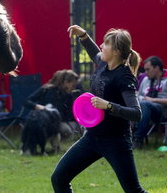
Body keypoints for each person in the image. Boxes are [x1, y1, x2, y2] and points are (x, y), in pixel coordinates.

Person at [51, 25, 147, 193]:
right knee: (59, 178)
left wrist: (108, 106)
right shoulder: (103, 63)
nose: (102, 46)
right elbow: (93, 51)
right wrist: (83, 35)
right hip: (92, 137)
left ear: (116, 51)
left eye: (106, 44)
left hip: (116, 141)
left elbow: (136, 113)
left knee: (134, 190)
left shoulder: (124, 77)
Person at [133, 56, 167, 149]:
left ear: (157, 68)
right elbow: (139, 96)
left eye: (148, 69)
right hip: (143, 108)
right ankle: (125, 138)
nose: (145, 73)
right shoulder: (145, 80)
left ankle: (138, 139)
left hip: (162, 112)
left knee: (145, 104)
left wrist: (153, 100)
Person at [25, 69, 80, 142]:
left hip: (58, 121)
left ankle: (55, 146)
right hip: (44, 119)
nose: (74, 88)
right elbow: (26, 101)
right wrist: (38, 106)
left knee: (66, 131)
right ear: (65, 82)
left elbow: (69, 114)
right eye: (73, 86)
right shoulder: (47, 89)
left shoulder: (68, 95)